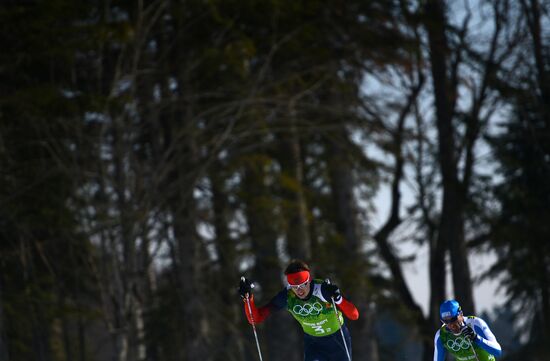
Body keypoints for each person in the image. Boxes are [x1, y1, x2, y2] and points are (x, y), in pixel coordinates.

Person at [239, 259, 359, 361]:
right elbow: (255, 319)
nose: (299, 290)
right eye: (295, 287)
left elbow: (354, 315)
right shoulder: (287, 297)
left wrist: (338, 299)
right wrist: (248, 299)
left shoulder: (323, 290)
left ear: (309, 280)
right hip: (313, 343)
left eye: (303, 285)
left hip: (337, 341)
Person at [434, 299, 502, 361]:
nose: (451, 325)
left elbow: (498, 351)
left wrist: (476, 338)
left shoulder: (476, 324)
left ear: (461, 314)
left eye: (453, 319)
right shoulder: (441, 336)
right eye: (446, 321)